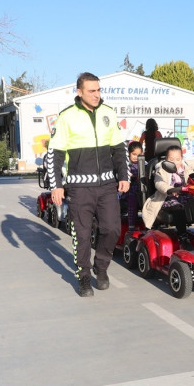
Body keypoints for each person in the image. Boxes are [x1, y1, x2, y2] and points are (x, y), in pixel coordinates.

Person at [46, 72, 130, 297]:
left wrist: (124, 175)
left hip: (107, 186)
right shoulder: (66, 117)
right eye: (91, 91)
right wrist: (56, 186)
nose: (96, 95)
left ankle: (100, 267)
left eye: (99, 90)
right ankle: (83, 277)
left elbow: (119, 148)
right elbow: (54, 153)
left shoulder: (108, 113)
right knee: (81, 235)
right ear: (79, 92)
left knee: (112, 229)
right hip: (79, 188)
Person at [142, 144, 194, 251]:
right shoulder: (161, 169)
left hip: (184, 198)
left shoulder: (186, 169)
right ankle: (182, 237)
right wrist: (170, 190)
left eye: (178, 159)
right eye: (171, 159)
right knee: (178, 208)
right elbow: (159, 183)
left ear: (182, 159)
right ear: (166, 160)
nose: (175, 162)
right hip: (166, 198)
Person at [125, 141, 143, 231]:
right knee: (132, 200)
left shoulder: (145, 164)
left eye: (139, 154)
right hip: (130, 190)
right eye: (134, 154)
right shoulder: (128, 165)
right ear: (129, 154)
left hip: (143, 190)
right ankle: (131, 225)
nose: (136, 157)